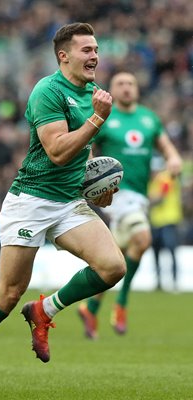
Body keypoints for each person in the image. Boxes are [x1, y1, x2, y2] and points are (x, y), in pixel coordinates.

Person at [0, 23, 127, 395]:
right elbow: (58, 151)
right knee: (9, 294)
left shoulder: (92, 93)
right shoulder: (47, 91)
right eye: (86, 50)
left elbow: (81, 155)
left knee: (113, 267)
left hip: (69, 202)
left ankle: (45, 310)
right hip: (30, 201)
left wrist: (97, 189)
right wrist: (97, 119)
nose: (95, 56)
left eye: (96, 49)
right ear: (64, 56)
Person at [78, 71, 182, 339]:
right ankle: (122, 304)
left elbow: (165, 146)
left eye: (131, 84)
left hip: (140, 196)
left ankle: (90, 307)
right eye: (120, 84)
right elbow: (87, 144)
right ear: (111, 90)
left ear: (137, 88)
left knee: (114, 263)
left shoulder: (148, 118)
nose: (126, 88)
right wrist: (91, 176)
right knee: (143, 237)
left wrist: (172, 159)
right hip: (115, 195)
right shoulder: (104, 116)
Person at [148, 158, 183, 292]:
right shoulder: (157, 180)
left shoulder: (164, 178)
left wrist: (147, 201)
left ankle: (171, 281)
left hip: (168, 219)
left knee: (169, 250)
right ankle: (161, 282)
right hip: (158, 220)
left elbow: (160, 198)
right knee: (160, 251)